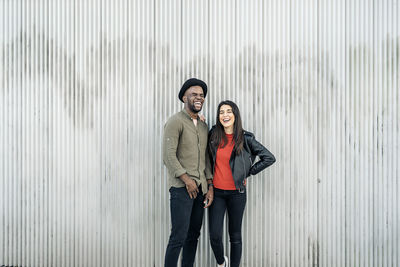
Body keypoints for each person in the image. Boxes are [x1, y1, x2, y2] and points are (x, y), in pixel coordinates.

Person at [208, 100, 276, 267]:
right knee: (215, 235)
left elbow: (269, 158)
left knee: (235, 236)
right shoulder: (213, 135)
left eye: (229, 111)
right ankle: (221, 262)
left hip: (237, 194)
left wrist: (249, 172)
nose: (225, 115)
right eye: (221, 112)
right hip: (216, 193)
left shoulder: (246, 139)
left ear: (235, 115)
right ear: (218, 116)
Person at [163, 78, 214, 267]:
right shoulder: (175, 121)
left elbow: (206, 159)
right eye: (194, 94)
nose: (198, 98)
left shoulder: (202, 125)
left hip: (200, 189)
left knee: (193, 236)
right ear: (185, 97)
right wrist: (186, 179)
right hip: (181, 189)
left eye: (201, 95)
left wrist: (209, 186)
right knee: (179, 236)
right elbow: (168, 156)